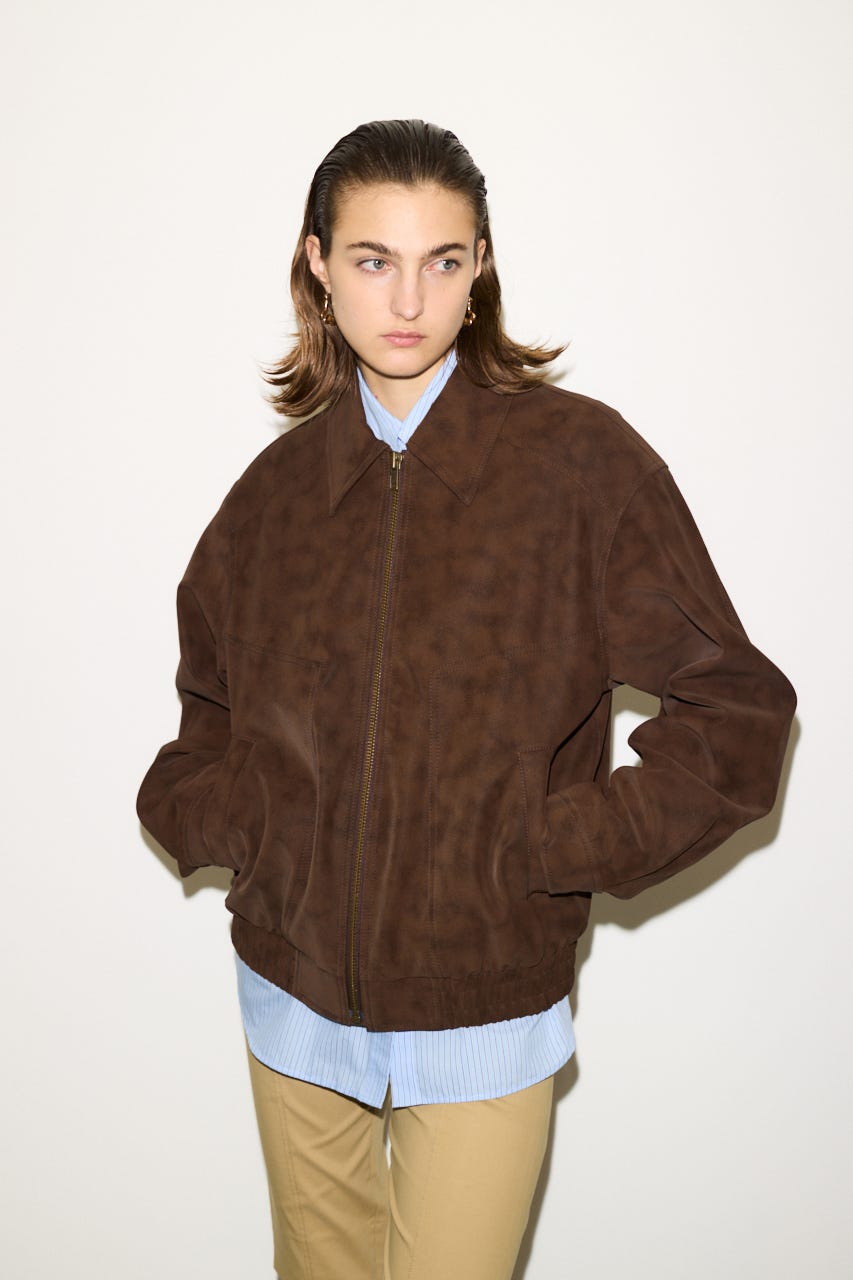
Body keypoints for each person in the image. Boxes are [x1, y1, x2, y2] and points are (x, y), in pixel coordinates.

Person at [136, 119, 796, 1280]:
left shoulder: (579, 467)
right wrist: (242, 820)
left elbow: (736, 710)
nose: (408, 299)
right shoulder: (275, 497)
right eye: (373, 259)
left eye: (442, 260)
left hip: (486, 1007)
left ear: (481, 265)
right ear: (317, 264)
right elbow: (208, 710)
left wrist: (552, 842)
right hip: (292, 1002)